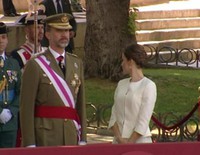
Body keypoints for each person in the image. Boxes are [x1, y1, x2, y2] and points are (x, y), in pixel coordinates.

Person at [20, 13, 86, 147]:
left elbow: (80, 103)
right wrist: (29, 144)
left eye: (67, 30)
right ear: (47, 34)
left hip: (70, 134)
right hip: (45, 136)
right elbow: (26, 108)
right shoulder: (36, 64)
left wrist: (83, 138)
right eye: (59, 30)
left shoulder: (76, 63)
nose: (64, 35)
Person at [108, 43, 157, 144]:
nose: (122, 64)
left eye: (123, 60)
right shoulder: (121, 84)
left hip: (139, 142)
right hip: (118, 142)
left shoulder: (148, 86)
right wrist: (119, 138)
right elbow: (114, 115)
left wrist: (129, 143)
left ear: (130, 62)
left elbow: (143, 120)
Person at [0, 22, 21, 148]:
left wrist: (11, 111)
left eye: (3, 37)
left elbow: (21, 91)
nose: (0, 41)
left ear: (7, 40)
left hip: (10, 122)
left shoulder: (14, 64)